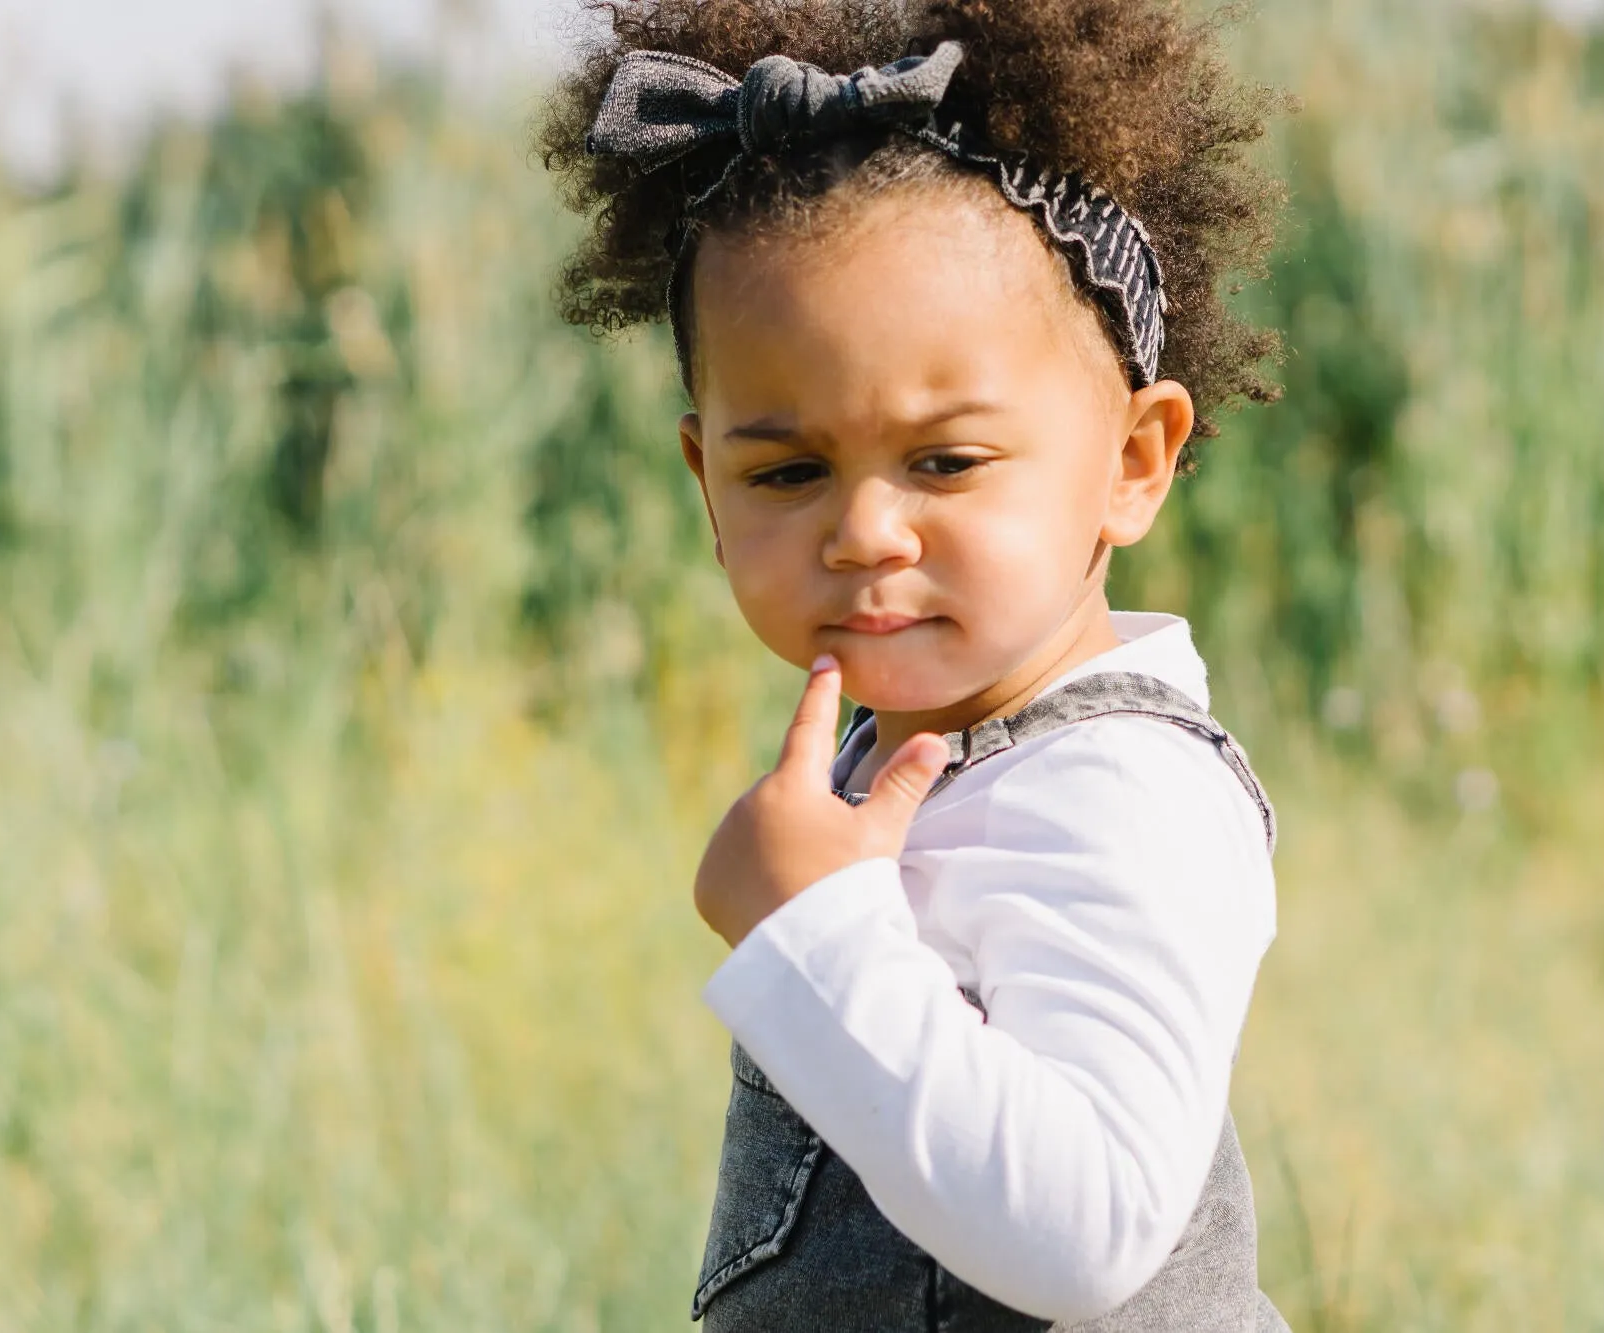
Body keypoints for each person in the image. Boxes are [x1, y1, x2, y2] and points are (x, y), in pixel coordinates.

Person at [540, 1, 1292, 1327]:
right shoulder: (918, 757)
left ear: (1133, 461)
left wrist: (818, 931)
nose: (865, 533)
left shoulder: (1122, 788)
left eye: (944, 461)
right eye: (786, 471)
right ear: (706, 484)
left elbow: (1090, 1231)